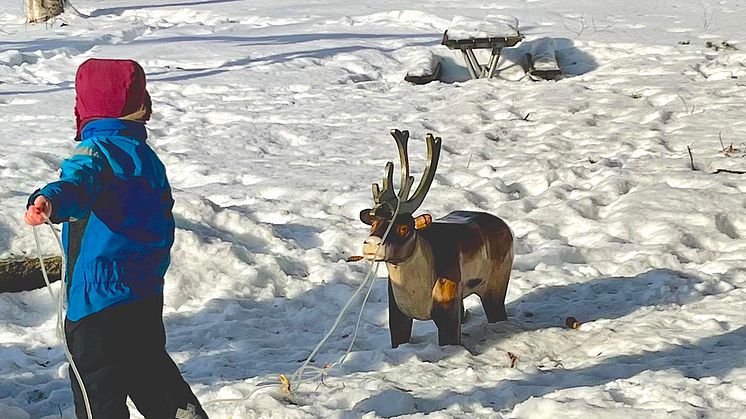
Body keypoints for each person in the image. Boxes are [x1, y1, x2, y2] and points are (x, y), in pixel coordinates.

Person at [24, 58, 208, 419]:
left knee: (99, 390)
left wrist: (49, 200)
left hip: (95, 302)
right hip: (142, 294)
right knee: (148, 369)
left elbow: (78, 182)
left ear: (85, 107)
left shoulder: (95, 153)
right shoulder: (146, 157)